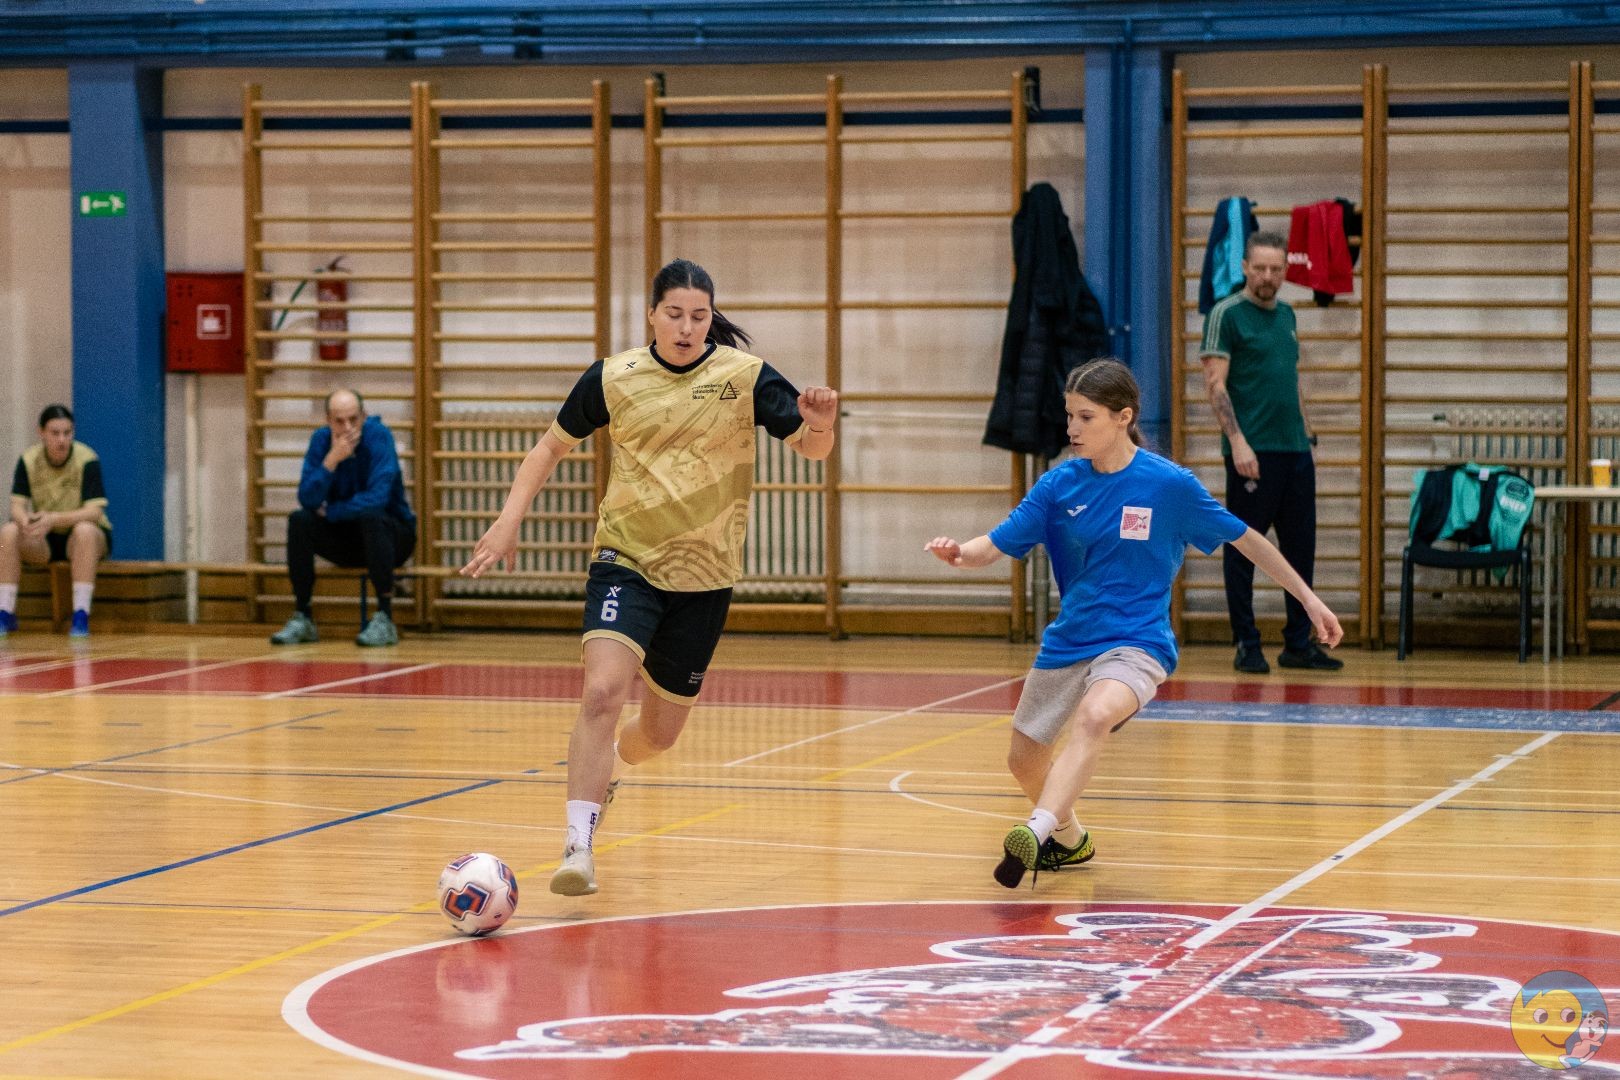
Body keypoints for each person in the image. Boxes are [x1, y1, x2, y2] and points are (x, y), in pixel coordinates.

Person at [461, 258, 838, 897]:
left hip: (705, 577)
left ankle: (611, 768)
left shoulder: (744, 377)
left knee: (659, 735)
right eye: (675, 315)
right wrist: (507, 520)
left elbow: (812, 448)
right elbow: (550, 446)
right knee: (602, 692)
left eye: (699, 316)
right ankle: (578, 846)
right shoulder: (614, 377)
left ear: (710, 319)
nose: (687, 328)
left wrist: (821, 420)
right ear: (652, 315)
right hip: (625, 561)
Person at [926, 359, 1342, 889]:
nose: (1073, 428)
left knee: (1096, 715)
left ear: (1123, 417)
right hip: (1070, 641)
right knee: (1023, 760)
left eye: (1086, 417)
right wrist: (957, 553)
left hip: (1138, 642)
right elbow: (993, 545)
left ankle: (1037, 828)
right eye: (1069, 416)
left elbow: (1248, 540)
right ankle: (1071, 841)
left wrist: (1308, 599)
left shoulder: (1169, 486)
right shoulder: (1058, 487)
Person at [1199, 230, 1343, 674]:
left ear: (1285, 271)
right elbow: (1215, 385)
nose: (1267, 276)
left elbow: (1290, 380)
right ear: (1245, 267)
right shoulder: (1226, 314)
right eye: (1259, 268)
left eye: (1275, 269)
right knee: (1245, 548)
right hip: (1252, 454)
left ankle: (1298, 644)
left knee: (1300, 549)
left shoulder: (1287, 315)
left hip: (1294, 451)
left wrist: (1308, 436)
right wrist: (1238, 442)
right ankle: (1247, 642)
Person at [269, 388, 416, 647]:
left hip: (392, 537)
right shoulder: (321, 440)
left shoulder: (379, 436)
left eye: (353, 419)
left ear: (364, 416)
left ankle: (385, 617)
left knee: (372, 517)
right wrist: (331, 461)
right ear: (328, 420)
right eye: (339, 421)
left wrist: (333, 511)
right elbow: (307, 498)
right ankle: (303, 615)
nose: (347, 428)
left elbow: (378, 498)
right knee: (300, 521)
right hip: (347, 537)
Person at [0, 404, 112, 639]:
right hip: (45, 538)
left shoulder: (87, 458)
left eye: (67, 433)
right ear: (41, 432)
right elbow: (17, 506)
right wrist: (26, 521)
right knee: (9, 531)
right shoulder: (29, 459)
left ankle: (81, 613)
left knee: (84, 530)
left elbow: (94, 511)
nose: (62, 440)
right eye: (55, 433)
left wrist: (55, 518)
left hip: (82, 536)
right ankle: (5, 611)